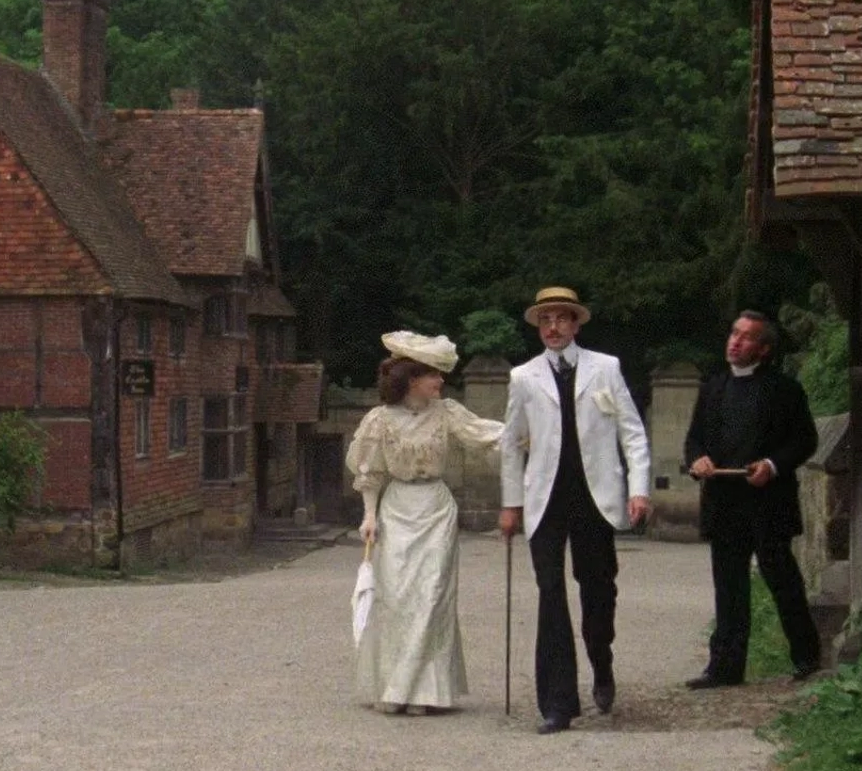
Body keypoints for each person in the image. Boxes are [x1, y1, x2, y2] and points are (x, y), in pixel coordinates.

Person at [498, 287, 652, 734]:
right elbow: (511, 445)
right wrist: (511, 504)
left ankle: (601, 663)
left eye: (561, 319)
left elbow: (633, 433)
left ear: (576, 324)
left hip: (593, 496)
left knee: (598, 591)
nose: (552, 328)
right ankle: (558, 703)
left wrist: (638, 489)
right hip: (545, 498)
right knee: (550, 593)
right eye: (545, 320)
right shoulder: (523, 377)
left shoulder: (606, 368)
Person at [348, 331, 503, 715]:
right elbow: (370, 471)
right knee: (397, 598)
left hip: (435, 508)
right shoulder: (379, 420)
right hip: (397, 507)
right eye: (433, 374)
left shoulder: (447, 413)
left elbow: (488, 436)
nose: (440, 381)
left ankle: (425, 692)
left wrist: (536, 433)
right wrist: (369, 514)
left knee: (432, 597)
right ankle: (394, 686)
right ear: (411, 378)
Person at [682, 310, 823, 689]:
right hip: (724, 503)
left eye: (745, 337)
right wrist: (698, 461)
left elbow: (805, 440)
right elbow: (694, 440)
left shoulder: (785, 391)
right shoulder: (713, 388)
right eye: (733, 333)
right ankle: (725, 667)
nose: (735, 341)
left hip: (768, 502)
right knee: (728, 586)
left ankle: (807, 658)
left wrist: (773, 465)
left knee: (783, 580)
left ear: (762, 349)